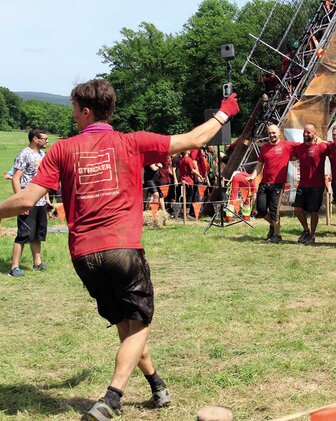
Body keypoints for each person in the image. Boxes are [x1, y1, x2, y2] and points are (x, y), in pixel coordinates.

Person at [0, 79, 240, 420]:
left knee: (128, 325)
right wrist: (224, 112)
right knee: (139, 324)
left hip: (84, 255)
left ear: (86, 110)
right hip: (122, 249)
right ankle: (112, 398)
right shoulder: (133, 142)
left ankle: (156, 384)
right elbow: (194, 139)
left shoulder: (61, 150)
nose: (72, 115)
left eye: (73, 109)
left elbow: (25, 199)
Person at [8, 128, 50, 277]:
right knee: (23, 234)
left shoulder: (42, 154)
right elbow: (15, 178)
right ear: (34, 139)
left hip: (40, 202)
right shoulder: (24, 154)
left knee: (38, 234)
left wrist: (47, 200)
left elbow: (43, 180)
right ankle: (14, 267)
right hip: (27, 201)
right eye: (44, 138)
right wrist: (20, 202)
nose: (47, 141)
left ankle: (37, 263)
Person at [247, 124, 297, 243]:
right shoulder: (264, 147)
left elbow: (304, 146)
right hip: (264, 183)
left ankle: (277, 235)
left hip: (277, 184)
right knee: (261, 209)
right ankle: (274, 226)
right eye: (270, 133)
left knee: (274, 210)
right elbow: (259, 165)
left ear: (279, 133)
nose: (272, 135)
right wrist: (253, 176)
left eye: (274, 133)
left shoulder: (287, 145)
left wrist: (318, 140)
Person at [291, 123, 328, 244]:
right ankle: (306, 230)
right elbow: (292, 156)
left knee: (314, 212)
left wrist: (323, 141)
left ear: (314, 134)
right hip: (303, 184)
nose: (305, 134)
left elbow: (335, 145)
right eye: (304, 131)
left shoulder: (321, 146)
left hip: (317, 185)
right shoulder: (300, 147)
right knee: (297, 209)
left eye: (308, 132)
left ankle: (312, 234)